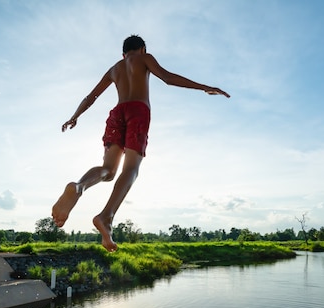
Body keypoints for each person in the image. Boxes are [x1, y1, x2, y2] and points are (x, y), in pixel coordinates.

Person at [52, 35, 230, 252]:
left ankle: (79, 187)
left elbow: (92, 96)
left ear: (123, 54)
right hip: (138, 112)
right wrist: (205, 87)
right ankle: (106, 216)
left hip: (117, 113)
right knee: (132, 169)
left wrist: (74, 116)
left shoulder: (114, 69)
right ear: (143, 49)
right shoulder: (144, 59)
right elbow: (168, 78)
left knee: (108, 170)